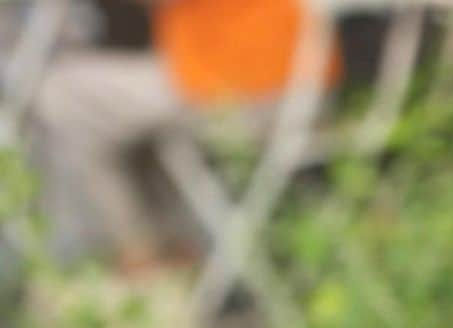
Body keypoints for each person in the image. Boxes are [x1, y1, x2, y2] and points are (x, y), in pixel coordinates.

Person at [31, 0, 340, 271]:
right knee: (116, 105)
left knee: (60, 95)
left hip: (243, 88)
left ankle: (143, 254)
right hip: (297, 83)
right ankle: (160, 246)